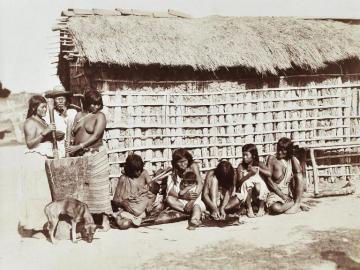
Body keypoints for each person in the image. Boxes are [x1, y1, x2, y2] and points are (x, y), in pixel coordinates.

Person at [66, 90, 112, 229]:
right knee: (83, 189)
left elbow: (96, 135)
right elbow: (73, 134)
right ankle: (85, 219)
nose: (95, 107)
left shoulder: (100, 116)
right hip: (79, 156)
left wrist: (80, 146)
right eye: (92, 104)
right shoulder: (79, 115)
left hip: (95, 155)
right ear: (87, 102)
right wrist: (72, 149)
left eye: (98, 104)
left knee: (100, 188)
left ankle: (105, 220)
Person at [19, 95, 63, 237]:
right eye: (42, 107)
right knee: (35, 194)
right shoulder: (29, 122)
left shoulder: (42, 120)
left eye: (46, 107)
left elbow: (46, 137)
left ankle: (44, 225)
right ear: (34, 108)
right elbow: (30, 143)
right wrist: (45, 132)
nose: (45, 109)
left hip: (44, 160)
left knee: (45, 193)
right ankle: (34, 228)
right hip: (35, 160)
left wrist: (56, 134)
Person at [265, 137, 307, 214]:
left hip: (289, 193)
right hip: (275, 193)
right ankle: (294, 204)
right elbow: (268, 180)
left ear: (288, 151)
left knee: (299, 176)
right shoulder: (272, 158)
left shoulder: (290, 160)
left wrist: (292, 156)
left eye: (283, 150)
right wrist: (282, 196)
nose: (280, 152)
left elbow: (298, 171)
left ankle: (296, 204)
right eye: (278, 149)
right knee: (276, 208)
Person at [166, 148, 205, 228]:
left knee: (196, 206)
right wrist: (184, 196)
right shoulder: (174, 171)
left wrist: (192, 201)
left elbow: (200, 184)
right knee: (169, 199)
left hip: (195, 199)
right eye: (180, 162)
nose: (183, 164)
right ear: (175, 163)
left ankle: (194, 219)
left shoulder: (193, 166)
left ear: (188, 159)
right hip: (181, 200)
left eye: (184, 161)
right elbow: (170, 191)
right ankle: (194, 213)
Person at [112, 154, 153, 229]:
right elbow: (115, 199)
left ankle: (135, 220)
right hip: (127, 210)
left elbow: (152, 190)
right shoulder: (123, 178)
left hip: (141, 207)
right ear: (129, 169)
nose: (138, 172)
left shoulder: (144, 173)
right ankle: (123, 219)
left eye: (140, 170)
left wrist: (150, 203)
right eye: (136, 171)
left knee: (158, 206)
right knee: (124, 224)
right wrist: (122, 203)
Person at [235, 144, 270, 217]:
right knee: (248, 183)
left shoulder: (259, 164)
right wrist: (250, 174)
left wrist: (257, 169)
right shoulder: (241, 166)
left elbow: (269, 173)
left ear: (253, 155)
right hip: (247, 193)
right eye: (243, 155)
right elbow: (239, 183)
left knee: (259, 185)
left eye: (246, 155)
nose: (244, 157)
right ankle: (249, 208)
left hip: (258, 194)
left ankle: (261, 207)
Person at [44, 85, 78, 158]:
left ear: (66, 99)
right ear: (53, 100)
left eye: (63, 98)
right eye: (57, 98)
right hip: (56, 151)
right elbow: (44, 132)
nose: (60, 101)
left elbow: (77, 129)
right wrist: (51, 135)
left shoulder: (73, 112)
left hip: (71, 150)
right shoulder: (49, 115)